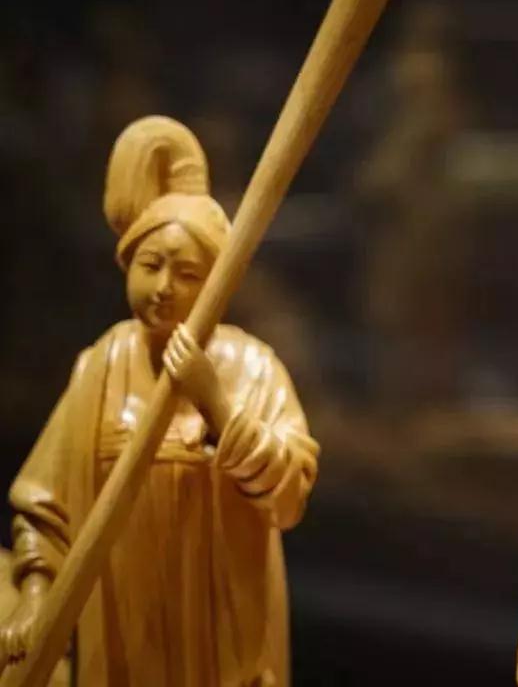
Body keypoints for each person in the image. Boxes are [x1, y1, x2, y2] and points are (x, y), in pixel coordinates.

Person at [0, 116, 319, 686]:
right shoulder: (101, 366)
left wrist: (215, 402)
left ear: (217, 283)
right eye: (151, 266)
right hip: (118, 647)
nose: (165, 287)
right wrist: (36, 596)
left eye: (188, 273)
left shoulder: (253, 367)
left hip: (222, 655)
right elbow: (46, 507)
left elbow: (289, 495)